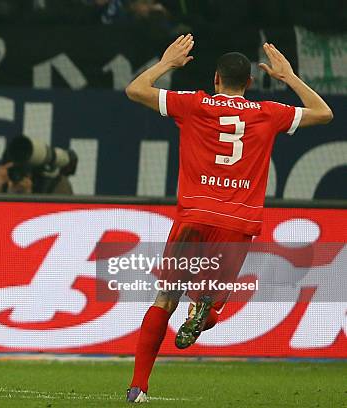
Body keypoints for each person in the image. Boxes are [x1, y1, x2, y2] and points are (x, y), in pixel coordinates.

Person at [124, 34, 332, 403]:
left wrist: (168, 64)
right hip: (238, 222)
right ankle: (205, 312)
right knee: (212, 304)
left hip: (195, 215)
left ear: (215, 79)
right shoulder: (269, 112)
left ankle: (138, 387)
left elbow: (135, 90)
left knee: (164, 297)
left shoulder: (193, 104)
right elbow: (324, 113)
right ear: (249, 84)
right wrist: (289, 78)